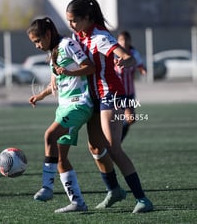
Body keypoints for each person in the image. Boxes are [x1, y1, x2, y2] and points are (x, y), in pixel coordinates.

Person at [27, 17, 125, 213]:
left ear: (47, 34)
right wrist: (40, 95)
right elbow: (59, 82)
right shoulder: (53, 52)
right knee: (63, 156)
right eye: (34, 43)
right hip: (64, 107)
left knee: (50, 136)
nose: (37, 46)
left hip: (79, 105)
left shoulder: (67, 44)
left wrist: (70, 73)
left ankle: (47, 187)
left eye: (38, 41)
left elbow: (90, 67)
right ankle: (78, 202)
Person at [66, 0, 153, 213]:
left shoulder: (100, 37)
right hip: (92, 98)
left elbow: (128, 58)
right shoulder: (77, 36)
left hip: (110, 95)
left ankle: (142, 199)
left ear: (87, 18)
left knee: (113, 148)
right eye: (69, 21)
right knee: (95, 146)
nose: (71, 25)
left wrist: (124, 61)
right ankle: (114, 190)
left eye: (74, 20)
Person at [115, 31, 147, 141]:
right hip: (117, 92)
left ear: (129, 41)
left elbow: (140, 66)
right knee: (119, 119)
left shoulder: (133, 53)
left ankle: (117, 141)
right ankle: (115, 142)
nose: (123, 42)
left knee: (130, 119)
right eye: (121, 40)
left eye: (125, 40)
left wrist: (143, 70)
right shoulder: (114, 53)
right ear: (117, 41)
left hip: (129, 92)